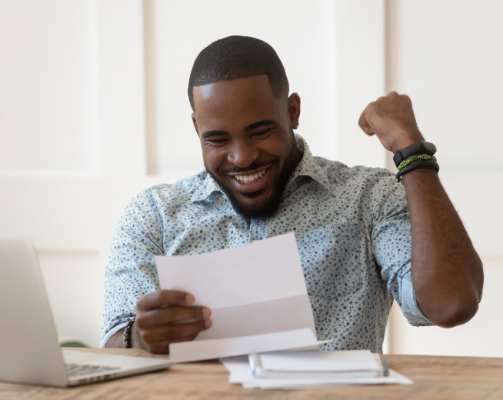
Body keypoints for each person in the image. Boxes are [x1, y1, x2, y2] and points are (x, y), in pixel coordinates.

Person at [101, 36, 483, 353]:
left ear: (293, 111)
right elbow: (114, 342)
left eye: (260, 131)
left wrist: (411, 150)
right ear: (196, 127)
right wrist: (139, 338)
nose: (242, 157)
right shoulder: (153, 216)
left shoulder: (369, 198)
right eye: (217, 139)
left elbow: (450, 303)